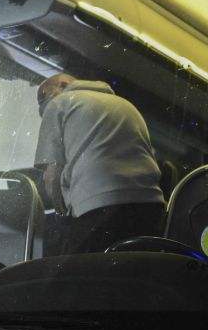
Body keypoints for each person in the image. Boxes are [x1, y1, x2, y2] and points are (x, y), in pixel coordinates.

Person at [34, 73, 165, 254]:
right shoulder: (126, 105)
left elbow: (52, 175)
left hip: (99, 204)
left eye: (43, 97)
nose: (42, 107)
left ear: (63, 85)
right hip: (151, 205)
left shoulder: (60, 103)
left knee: (75, 274)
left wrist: (61, 214)